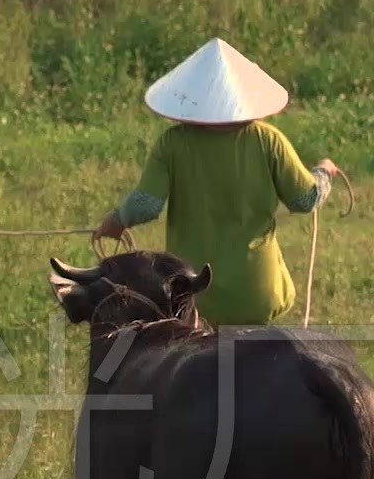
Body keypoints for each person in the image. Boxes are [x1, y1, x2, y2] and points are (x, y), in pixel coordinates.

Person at [92, 38, 339, 326]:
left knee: (199, 366)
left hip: (193, 294)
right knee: (251, 364)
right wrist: (324, 173)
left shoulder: (171, 144)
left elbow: (146, 205)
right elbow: (304, 199)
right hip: (256, 291)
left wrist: (117, 220)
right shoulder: (268, 140)